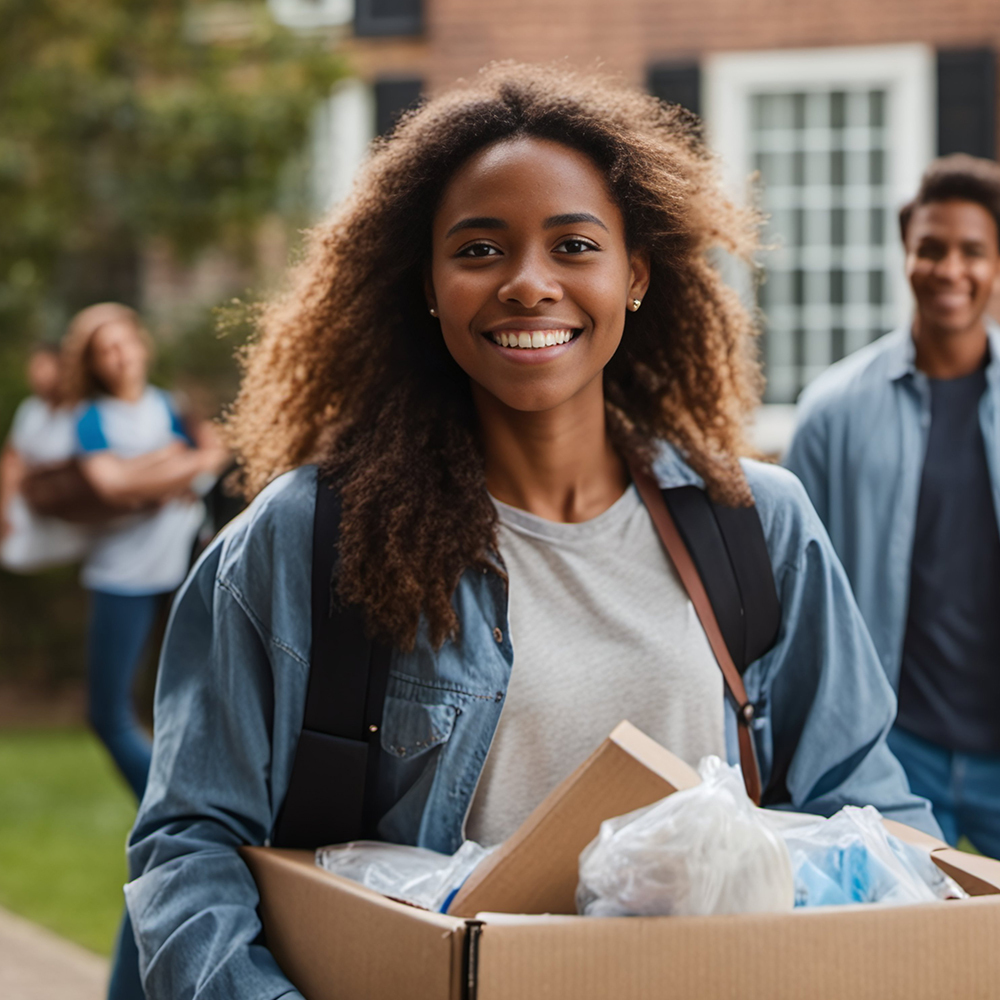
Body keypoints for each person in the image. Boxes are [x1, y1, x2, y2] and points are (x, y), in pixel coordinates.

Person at [125, 65, 936, 999]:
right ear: (427, 284)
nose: (528, 284)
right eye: (479, 250)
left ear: (633, 275)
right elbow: (191, 848)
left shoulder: (757, 526)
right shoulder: (308, 541)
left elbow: (862, 810)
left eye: (574, 244)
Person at [785, 155, 1000, 856]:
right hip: (890, 749)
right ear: (906, 255)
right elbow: (790, 593)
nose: (950, 270)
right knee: (903, 956)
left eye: (972, 251)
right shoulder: (831, 413)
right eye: (930, 248)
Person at [59, 302, 229, 1000]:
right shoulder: (92, 419)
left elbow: (215, 454)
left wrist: (155, 470)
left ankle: (162, 803)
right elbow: (111, 485)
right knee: (107, 714)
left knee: (184, 729)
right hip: (121, 579)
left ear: (141, 345)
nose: (119, 355)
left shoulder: (170, 405)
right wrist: (171, 468)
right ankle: (159, 799)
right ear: (94, 361)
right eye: (105, 347)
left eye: (126, 340)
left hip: (181, 574)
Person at [0, 343, 90, 571]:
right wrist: (4, 506)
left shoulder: (83, 411)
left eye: (42, 367)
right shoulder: (31, 410)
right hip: (29, 506)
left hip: (70, 515)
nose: (35, 375)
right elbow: (12, 458)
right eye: (33, 368)